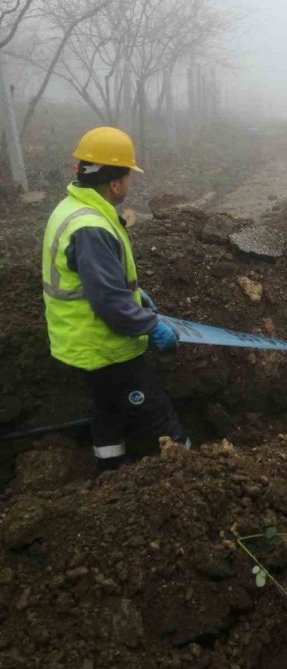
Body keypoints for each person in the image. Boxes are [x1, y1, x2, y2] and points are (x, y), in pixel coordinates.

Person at [42, 127, 188, 470]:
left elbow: (91, 279)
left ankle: (110, 475)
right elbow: (107, 300)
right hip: (105, 346)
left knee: (107, 409)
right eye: (128, 177)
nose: (129, 185)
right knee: (155, 414)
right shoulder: (91, 227)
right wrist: (152, 326)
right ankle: (195, 474)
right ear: (115, 183)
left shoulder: (71, 208)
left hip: (80, 342)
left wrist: (135, 293)